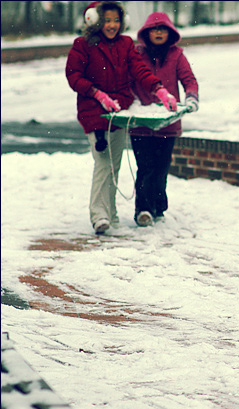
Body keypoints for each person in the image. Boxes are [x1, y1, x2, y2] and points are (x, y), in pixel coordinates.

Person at [65, 1, 177, 235]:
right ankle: (99, 215)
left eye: (116, 20)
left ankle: (111, 215)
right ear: (94, 20)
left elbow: (140, 70)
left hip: (118, 111)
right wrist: (97, 93)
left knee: (114, 165)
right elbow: (73, 76)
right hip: (94, 111)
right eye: (107, 20)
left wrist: (159, 89)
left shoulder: (126, 44)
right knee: (104, 163)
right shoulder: (82, 45)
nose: (112, 25)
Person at [128, 12, 199, 227]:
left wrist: (191, 97)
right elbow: (128, 80)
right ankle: (143, 209)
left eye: (163, 29)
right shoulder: (136, 54)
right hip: (141, 121)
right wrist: (132, 102)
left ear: (170, 33)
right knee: (145, 166)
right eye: (154, 29)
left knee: (160, 167)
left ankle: (159, 205)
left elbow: (189, 79)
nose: (158, 33)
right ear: (146, 33)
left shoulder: (177, 55)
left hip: (168, 122)